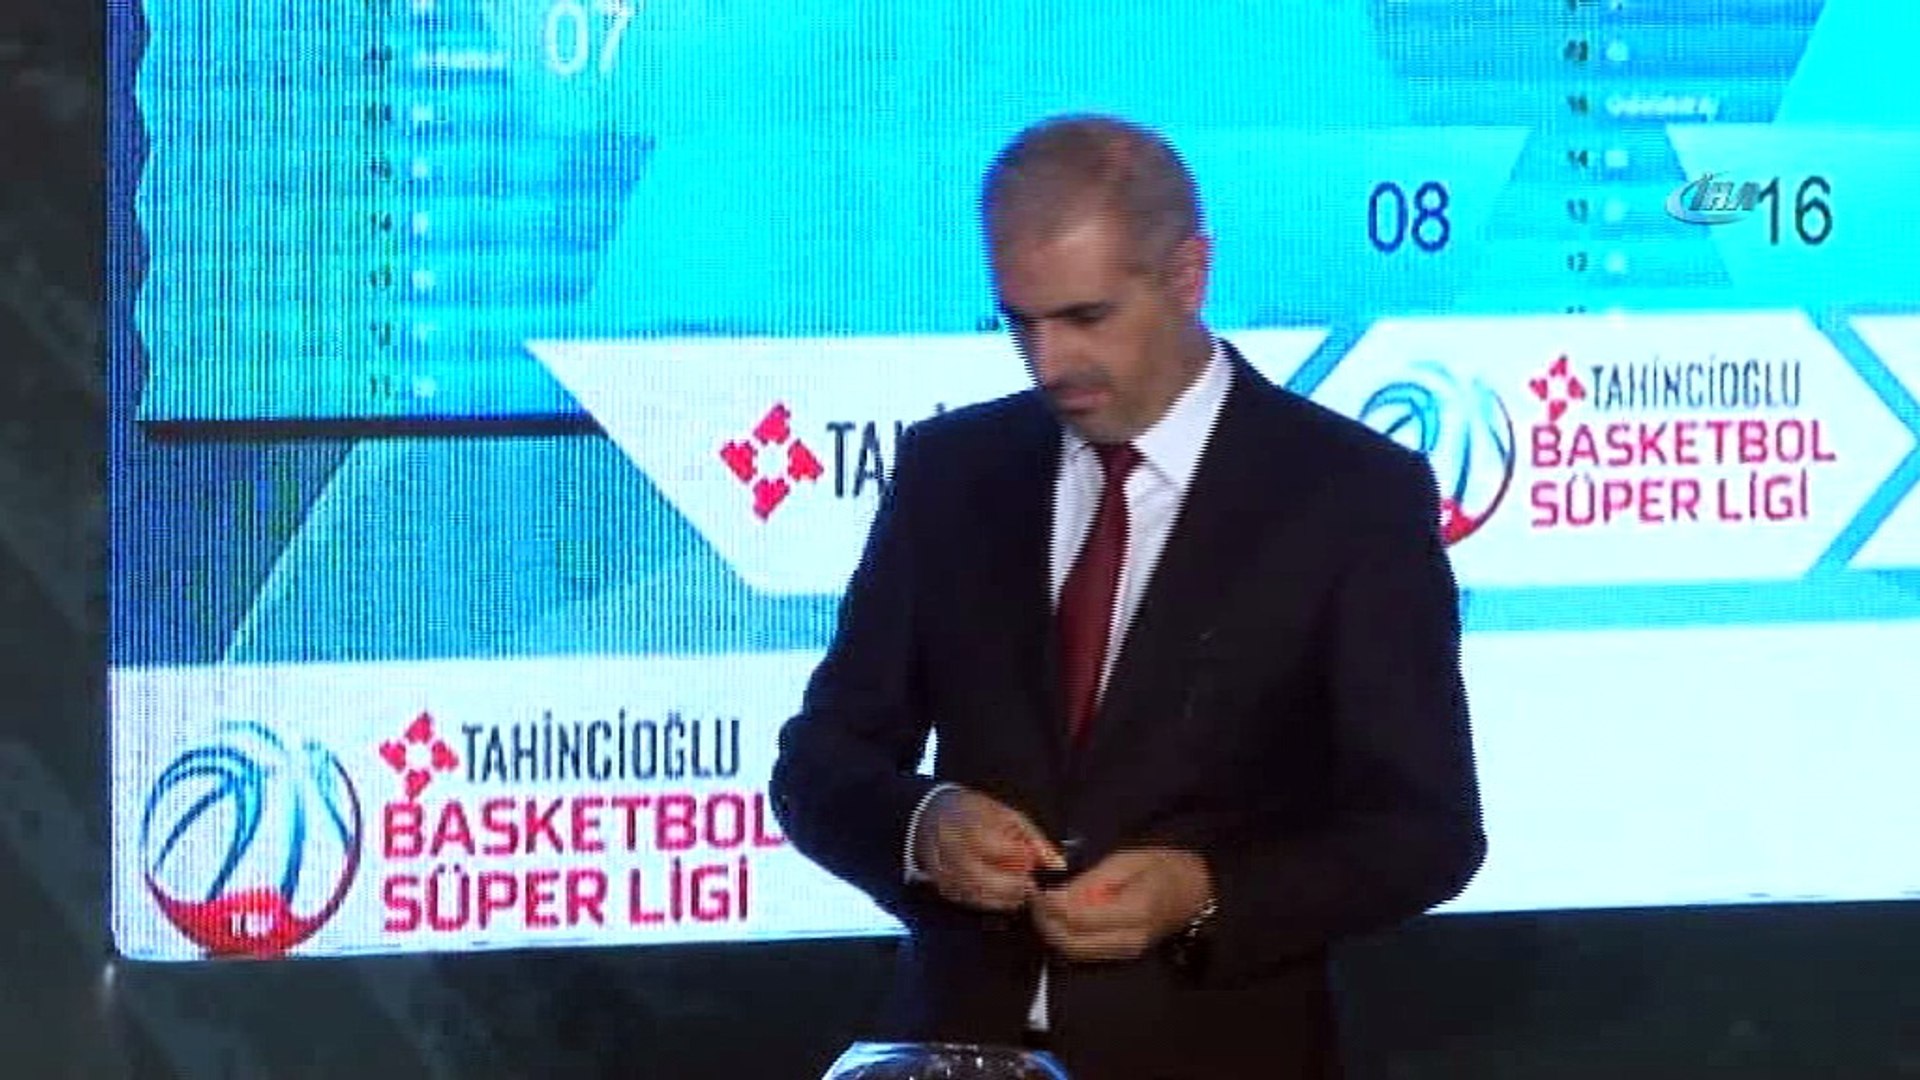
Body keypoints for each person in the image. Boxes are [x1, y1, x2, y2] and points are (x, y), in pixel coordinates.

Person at [770, 113, 1485, 1080]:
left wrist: (1204, 893)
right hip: (958, 1048)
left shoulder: (1349, 498)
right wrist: (922, 825)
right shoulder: (954, 474)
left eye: (1086, 317)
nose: (1049, 363)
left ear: (1189, 274)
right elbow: (820, 766)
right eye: (1020, 323)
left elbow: (1425, 831)